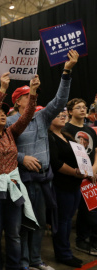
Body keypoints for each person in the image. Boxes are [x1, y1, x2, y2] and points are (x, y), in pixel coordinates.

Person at [6, 49, 79, 270]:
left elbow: (60, 101)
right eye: (29, 96)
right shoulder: (9, 121)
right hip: (22, 180)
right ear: (18, 101)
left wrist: (66, 72)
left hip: (43, 180)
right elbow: (2, 149)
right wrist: (21, 157)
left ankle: (37, 260)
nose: (33, 97)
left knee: (38, 223)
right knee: (23, 225)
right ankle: (24, 262)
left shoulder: (42, 116)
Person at [0, 72, 40, 270]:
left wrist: (32, 92)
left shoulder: (11, 133)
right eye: (0, 113)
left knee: (14, 233)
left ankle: (15, 267)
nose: (3, 114)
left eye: (6, 113)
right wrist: (2, 89)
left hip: (13, 189)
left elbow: (28, 114)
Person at [48, 109, 89, 267]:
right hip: (62, 185)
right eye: (58, 115)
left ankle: (66, 251)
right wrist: (75, 172)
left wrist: (85, 171)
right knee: (62, 221)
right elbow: (56, 163)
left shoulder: (66, 136)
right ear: (49, 120)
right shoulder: (50, 137)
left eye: (63, 115)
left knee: (68, 218)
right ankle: (63, 254)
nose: (62, 117)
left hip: (74, 184)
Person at [62, 98, 97, 256]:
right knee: (84, 212)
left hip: (92, 176)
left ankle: (93, 240)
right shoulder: (65, 129)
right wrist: (85, 172)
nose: (83, 110)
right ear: (70, 111)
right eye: (78, 107)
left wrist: (93, 170)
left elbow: (96, 151)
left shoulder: (89, 130)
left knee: (93, 210)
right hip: (75, 176)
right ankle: (81, 240)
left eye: (84, 107)